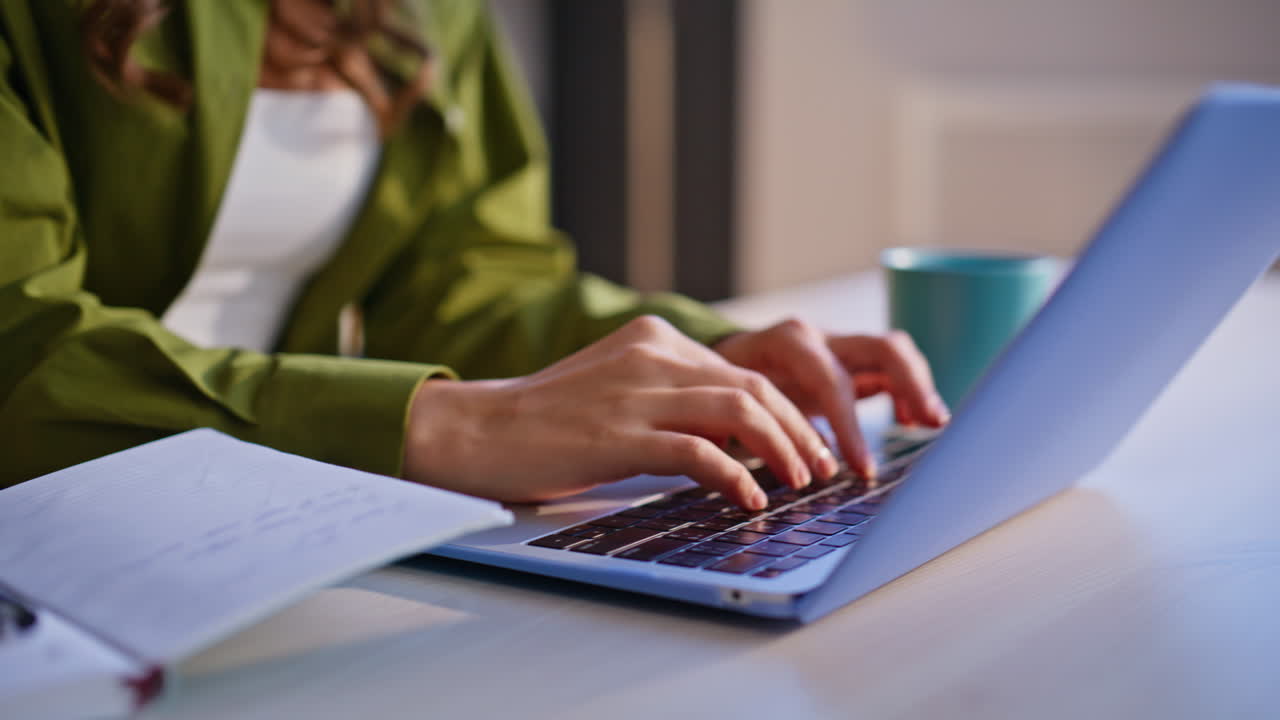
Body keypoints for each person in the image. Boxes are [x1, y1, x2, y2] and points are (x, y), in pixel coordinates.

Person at [0, 0, 948, 509]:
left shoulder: (429, 13)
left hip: (265, 515)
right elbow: (26, 345)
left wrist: (704, 364)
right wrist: (442, 426)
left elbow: (467, 281)